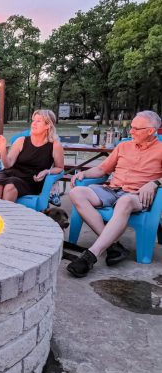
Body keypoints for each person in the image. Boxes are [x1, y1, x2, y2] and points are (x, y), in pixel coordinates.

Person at [66, 110, 162, 278]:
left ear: (151, 131)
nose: (131, 131)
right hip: (112, 189)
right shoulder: (123, 145)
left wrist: (155, 183)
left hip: (137, 196)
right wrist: (84, 174)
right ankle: (113, 246)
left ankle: (91, 256)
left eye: (136, 129)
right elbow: (103, 169)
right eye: (131, 127)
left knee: (124, 202)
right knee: (77, 193)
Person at [0, 109, 64, 202]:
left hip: (30, 180)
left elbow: (60, 168)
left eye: (38, 121)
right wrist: (2, 149)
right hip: (10, 173)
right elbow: (8, 165)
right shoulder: (21, 141)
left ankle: (6, 215)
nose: (34, 124)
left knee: (10, 187)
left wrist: (47, 172)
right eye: (33, 121)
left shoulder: (55, 145)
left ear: (48, 125)